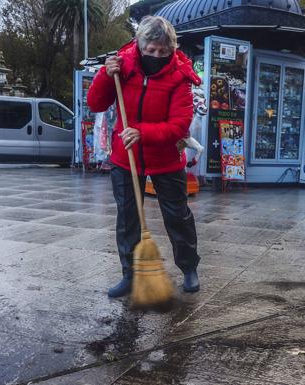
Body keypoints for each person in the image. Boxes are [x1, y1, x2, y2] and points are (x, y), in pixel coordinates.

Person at [87, 16, 202, 298]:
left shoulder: (180, 78)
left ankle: (188, 267)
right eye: (151, 50)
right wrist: (105, 74)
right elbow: (96, 103)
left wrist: (141, 131)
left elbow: (179, 125)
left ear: (171, 50)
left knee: (177, 216)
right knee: (128, 219)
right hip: (126, 157)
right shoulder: (122, 66)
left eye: (163, 52)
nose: (156, 56)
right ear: (140, 46)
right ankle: (130, 274)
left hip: (165, 158)